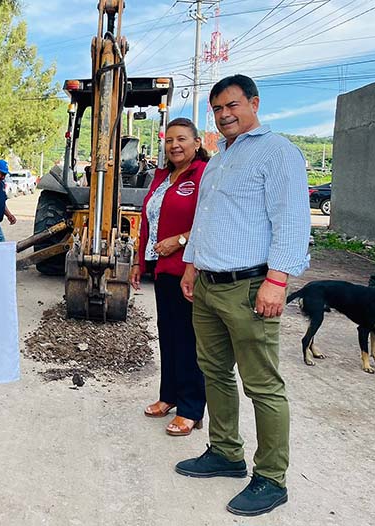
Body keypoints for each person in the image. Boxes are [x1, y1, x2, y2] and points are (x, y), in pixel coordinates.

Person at [176, 74, 310, 517]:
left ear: (254, 103)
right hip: (210, 286)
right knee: (214, 373)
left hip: (250, 286)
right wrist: (192, 265)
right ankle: (226, 453)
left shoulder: (278, 153)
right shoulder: (218, 159)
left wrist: (277, 280)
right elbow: (205, 220)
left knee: (262, 385)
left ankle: (271, 477)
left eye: (232, 105)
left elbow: (291, 220)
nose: (224, 114)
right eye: (216, 109)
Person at [131, 118, 208, 436]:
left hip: (189, 270)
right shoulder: (162, 176)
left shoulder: (203, 174)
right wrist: (139, 261)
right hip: (162, 270)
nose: (175, 145)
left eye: (182, 139)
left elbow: (210, 219)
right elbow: (148, 220)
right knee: (169, 334)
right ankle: (169, 396)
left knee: (189, 339)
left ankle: (191, 408)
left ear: (196, 142)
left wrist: (180, 240)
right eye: (169, 140)